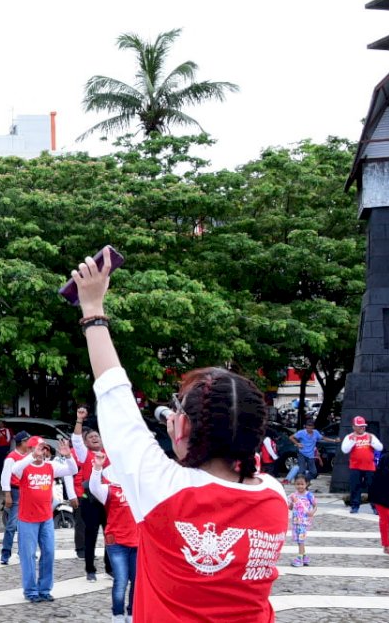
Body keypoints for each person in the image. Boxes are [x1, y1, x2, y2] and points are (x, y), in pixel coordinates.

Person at [72, 250, 289, 621]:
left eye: (177, 408)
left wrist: (92, 309)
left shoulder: (164, 489)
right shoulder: (273, 496)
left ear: (185, 425)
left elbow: (114, 393)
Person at [2, 435, 77, 602]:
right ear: (30, 449)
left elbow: (72, 470)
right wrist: (32, 455)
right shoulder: (24, 467)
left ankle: (45, 589)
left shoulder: (51, 466)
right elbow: (15, 470)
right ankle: (30, 591)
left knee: (49, 553)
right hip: (27, 519)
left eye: (43, 448)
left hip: (46, 518)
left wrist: (68, 455)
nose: (42, 451)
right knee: (28, 556)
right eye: (38, 447)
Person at [88, 451, 138, 623]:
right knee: (121, 580)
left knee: (136, 581)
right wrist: (97, 467)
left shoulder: (138, 489)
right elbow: (93, 488)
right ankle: (117, 614)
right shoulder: (109, 489)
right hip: (116, 542)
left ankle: (132, 614)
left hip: (137, 542)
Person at [71, 407, 110, 581]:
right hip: (91, 500)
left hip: (109, 500)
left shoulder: (110, 454)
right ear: (86, 443)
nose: (94, 438)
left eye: (97, 436)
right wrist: (80, 420)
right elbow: (77, 439)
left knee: (110, 535)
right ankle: (90, 569)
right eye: (90, 437)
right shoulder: (84, 454)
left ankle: (110, 568)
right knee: (91, 534)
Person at [0, 431, 29, 566]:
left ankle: (23, 552)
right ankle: (5, 553)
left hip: (27, 492)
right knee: (12, 524)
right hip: (16, 492)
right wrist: (7, 494)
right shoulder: (12, 457)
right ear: (22, 442)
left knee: (26, 525)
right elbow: (5, 477)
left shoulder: (28, 456)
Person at [342, 416, 383, 514]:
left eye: (363, 426)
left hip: (369, 466)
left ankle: (375, 507)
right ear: (354, 427)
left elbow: (380, 447)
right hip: (355, 467)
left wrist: (371, 441)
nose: (362, 428)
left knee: (372, 487)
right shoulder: (349, 437)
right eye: (359, 426)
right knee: (355, 487)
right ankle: (355, 506)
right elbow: (344, 450)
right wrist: (353, 440)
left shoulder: (370, 436)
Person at [286, 475, 316, 567]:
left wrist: (312, 512)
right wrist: (289, 504)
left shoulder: (309, 495)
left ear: (306, 484)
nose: (300, 486)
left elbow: (315, 505)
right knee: (299, 539)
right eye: (297, 484)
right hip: (296, 521)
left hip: (304, 521)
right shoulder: (293, 495)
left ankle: (299, 558)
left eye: (302, 484)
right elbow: (291, 507)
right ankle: (305, 556)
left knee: (301, 540)